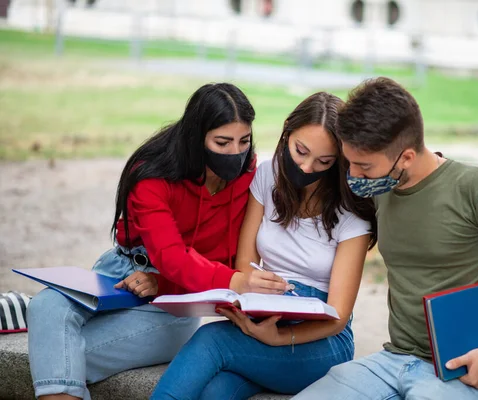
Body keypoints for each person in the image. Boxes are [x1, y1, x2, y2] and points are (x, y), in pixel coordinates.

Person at [292, 77, 478, 400]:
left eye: (364, 167)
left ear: (406, 158)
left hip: (463, 371)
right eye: (349, 164)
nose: (353, 176)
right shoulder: (381, 189)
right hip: (392, 360)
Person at [26, 83, 288, 400]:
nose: (235, 152)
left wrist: (162, 284)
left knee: (58, 356)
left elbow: (214, 264)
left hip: (174, 304)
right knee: (46, 305)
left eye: (243, 141)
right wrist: (237, 281)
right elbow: (171, 256)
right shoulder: (152, 174)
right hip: (118, 274)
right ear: (196, 138)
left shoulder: (251, 178)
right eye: (222, 142)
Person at [150, 92, 378, 400]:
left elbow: (337, 317)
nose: (308, 167)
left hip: (318, 340)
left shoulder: (351, 212)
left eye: (324, 161)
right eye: (300, 151)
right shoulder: (267, 175)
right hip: (263, 315)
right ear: (287, 131)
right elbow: (245, 262)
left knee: (211, 341)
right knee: (216, 392)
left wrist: (281, 337)